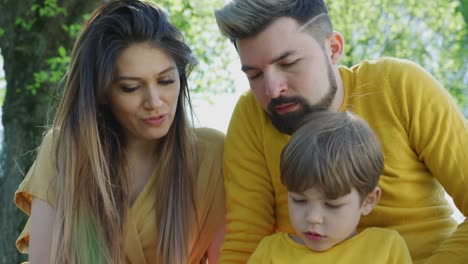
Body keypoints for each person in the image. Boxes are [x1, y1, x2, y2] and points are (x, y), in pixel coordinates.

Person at [214, 0, 468, 263]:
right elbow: (245, 245)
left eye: (288, 63)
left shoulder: (399, 85)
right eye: (254, 75)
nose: (272, 89)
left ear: (333, 48)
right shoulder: (252, 114)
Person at [14, 1, 225, 263]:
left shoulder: (213, 154)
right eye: (131, 87)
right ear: (102, 93)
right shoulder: (64, 150)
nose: (155, 102)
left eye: (166, 80)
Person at [248, 111, 412, 263]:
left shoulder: (385, 248)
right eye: (299, 200)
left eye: (332, 204)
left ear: (368, 201)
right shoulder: (269, 252)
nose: (313, 217)